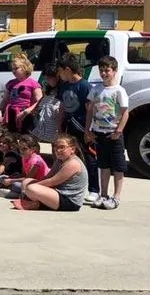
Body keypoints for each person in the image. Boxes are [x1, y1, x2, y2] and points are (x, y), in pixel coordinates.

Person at [86, 55, 130, 210]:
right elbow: (90, 110)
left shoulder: (119, 91)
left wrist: (118, 131)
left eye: (107, 70)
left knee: (118, 167)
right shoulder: (96, 89)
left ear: (115, 71)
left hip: (113, 133)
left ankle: (116, 196)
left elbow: (125, 113)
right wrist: (88, 129)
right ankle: (103, 194)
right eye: (102, 70)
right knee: (103, 166)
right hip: (99, 133)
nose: (104, 73)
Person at [56, 52, 99, 203]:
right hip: (69, 126)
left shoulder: (84, 86)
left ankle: (94, 189)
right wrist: (59, 127)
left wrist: (88, 130)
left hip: (82, 127)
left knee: (89, 157)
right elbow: (62, 107)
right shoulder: (64, 86)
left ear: (67, 69)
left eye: (60, 71)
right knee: (69, 157)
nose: (59, 75)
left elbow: (90, 110)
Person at [14, 134, 88, 211]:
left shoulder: (73, 163)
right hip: (57, 193)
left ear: (72, 149)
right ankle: (32, 200)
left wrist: (29, 189)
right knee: (27, 181)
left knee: (31, 188)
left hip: (69, 200)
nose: (58, 150)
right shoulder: (59, 160)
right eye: (56, 147)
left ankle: (36, 204)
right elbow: (48, 177)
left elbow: (52, 181)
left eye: (62, 147)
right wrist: (30, 186)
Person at [1, 53, 42, 134]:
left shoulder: (33, 83)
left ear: (24, 68)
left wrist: (28, 111)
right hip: (12, 114)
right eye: (12, 69)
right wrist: (0, 111)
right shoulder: (10, 83)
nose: (13, 71)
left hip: (26, 115)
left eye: (16, 68)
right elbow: (5, 100)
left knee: (25, 140)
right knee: (12, 139)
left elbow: (40, 101)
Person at [32, 64, 62, 143]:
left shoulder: (62, 91)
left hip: (53, 124)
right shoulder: (48, 90)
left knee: (55, 145)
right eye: (46, 77)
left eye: (49, 77)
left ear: (57, 76)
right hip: (43, 123)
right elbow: (42, 99)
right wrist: (35, 107)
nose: (47, 79)